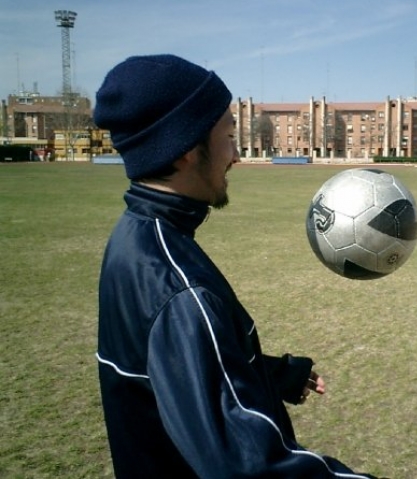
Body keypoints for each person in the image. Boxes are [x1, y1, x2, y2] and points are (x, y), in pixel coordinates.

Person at [94, 54, 380, 478]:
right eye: (228, 134)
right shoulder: (179, 288)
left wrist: (273, 374)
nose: (237, 154)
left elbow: (176, 372)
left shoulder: (135, 237)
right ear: (187, 148)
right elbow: (250, 467)